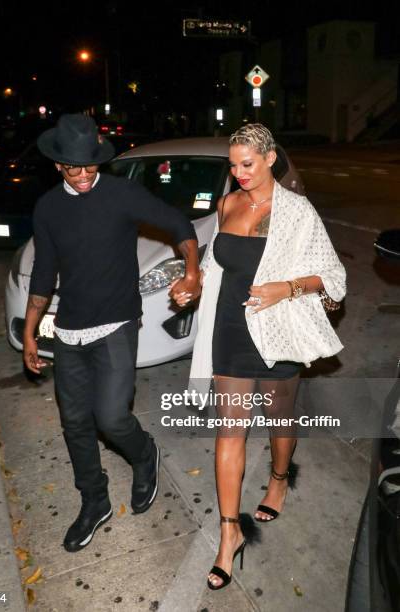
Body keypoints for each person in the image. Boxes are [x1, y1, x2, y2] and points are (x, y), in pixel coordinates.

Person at [24, 114, 199, 553]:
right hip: (69, 333)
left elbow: (179, 225)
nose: (83, 176)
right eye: (73, 168)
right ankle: (94, 500)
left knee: (112, 418)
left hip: (117, 325)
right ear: (58, 165)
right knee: (74, 423)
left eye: (90, 167)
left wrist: (192, 273)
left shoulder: (121, 194)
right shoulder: (47, 208)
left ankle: (145, 456)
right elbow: (43, 275)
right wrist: (30, 332)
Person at [188, 124, 346, 589]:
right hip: (230, 333)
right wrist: (193, 281)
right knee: (229, 431)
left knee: (280, 420)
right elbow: (220, 264)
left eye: (247, 164)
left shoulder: (297, 212)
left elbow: (332, 275)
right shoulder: (227, 204)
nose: (237, 173)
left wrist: (288, 287)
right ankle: (229, 533)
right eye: (232, 165)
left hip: (278, 332)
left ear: (270, 158)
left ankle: (279, 477)